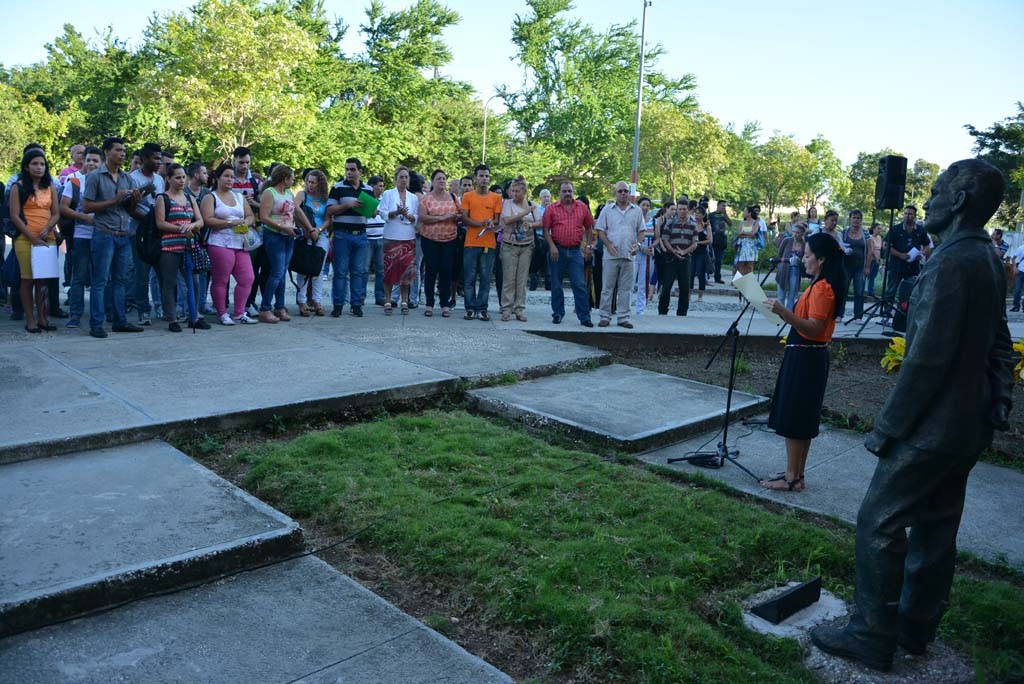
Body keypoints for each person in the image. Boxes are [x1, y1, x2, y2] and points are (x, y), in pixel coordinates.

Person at [810, 159, 1015, 672]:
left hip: (931, 426)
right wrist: (1001, 399)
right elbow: (1000, 339)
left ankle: (871, 634)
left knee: (878, 522)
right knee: (936, 530)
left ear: (961, 199)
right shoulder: (986, 257)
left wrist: (888, 427)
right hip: (968, 424)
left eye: (939, 189)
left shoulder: (950, 263)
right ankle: (915, 630)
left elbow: (925, 361)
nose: (927, 199)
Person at [761, 233, 848, 492]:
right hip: (806, 355)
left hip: (807, 357)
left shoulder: (823, 288)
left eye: (808, 255)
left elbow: (814, 327)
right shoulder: (819, 284)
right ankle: (796, 475)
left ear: (821, 259)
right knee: (802, 417)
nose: (803, 259)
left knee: (796, 417)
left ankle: (791, 478)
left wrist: (784, 312)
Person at [82, 137, 144, 339]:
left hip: (123, 234)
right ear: (107, 152)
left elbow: (130, 210)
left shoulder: (128, 178)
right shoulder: (95, 177)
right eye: (118, 150)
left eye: (124, 150)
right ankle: (97, 324)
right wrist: (114, 199)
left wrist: (134, 200)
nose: (123, 153)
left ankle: (120, 321)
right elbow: (88, 207)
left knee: (121, 280)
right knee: (100, 281)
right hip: (104, 234)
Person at [9, 149, 61, 333]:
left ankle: (43, 319)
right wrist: (31, 236)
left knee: (42, 281)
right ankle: (30, 320)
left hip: (47, 239)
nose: (39, 167)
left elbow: (56, 213)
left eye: (42, 164)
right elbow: (14, 216)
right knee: (28, 280)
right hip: (25, 239)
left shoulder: (51, 187)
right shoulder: (19, 186)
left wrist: (47, 229)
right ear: (26, 166)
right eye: (34, 164)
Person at [153, 163, 207, 332]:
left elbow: (200, 220)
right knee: (169, 282)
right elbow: (160, 223)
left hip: (189, 245)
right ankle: (172, 319)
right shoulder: (163, 198)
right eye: (177, 177)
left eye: (183, 177)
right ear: (168, 179)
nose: (182, 180)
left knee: (195, 282)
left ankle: (194, 315)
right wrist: (180, 228)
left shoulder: (190, 198)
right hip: (169, 246)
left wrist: (192, 227)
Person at [201, 163, 256, 325]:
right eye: (226, 176)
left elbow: (250, 215)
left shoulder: (239, 197)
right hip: (219, 242)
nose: (230, 179)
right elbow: (207, 220)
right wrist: (229, 223)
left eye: (232, 177)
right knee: (221, 279)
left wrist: (246, 221)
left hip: (240, 242)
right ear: (217, 178)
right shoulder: (210, 197)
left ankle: (239, 312)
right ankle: (222, 313)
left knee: (247, 278)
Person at [259, 164, 312, 323]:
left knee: (282, 273)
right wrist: (282, 227)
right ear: (285, 178)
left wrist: (308, 227)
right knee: (276, 272)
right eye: (292, 178)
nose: (293, 181)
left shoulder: (289, 192)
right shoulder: (270, 193)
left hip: (289, 236)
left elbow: (297, 211)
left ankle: (280, 307)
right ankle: (265, 308)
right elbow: (264, 217)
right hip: (274, 236)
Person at [542, 181, 595, 327]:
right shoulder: (552, 208)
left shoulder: (582, 207)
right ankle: (558, 313)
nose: (567, 194)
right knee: (556, 284)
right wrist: (552, 246)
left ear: (573, 192)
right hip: (557, 251)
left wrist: (589, 246)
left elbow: (589, 226)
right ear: (559, 193)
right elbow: (546, 229)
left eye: (570, 191)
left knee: (579, 284)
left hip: (576, 251)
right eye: (564, 191)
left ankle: (584, 317)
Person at [60, 146, 102, 328]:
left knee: (100, 278)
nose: (91, 163)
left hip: (101, 236)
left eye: (95, 160)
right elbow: (64, 207)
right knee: (79, 276)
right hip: (81, 235)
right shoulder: (75, 181)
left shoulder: (106, 182)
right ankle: (75, 315)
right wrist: (83, 217)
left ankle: (99, 314)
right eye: (89, 160)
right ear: (83, 161)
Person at [327, 157, 372, 317]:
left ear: (360, 171)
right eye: (347, 169)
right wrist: (348, 205)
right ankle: (338, 305)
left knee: (358, 272)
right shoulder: (337, 187)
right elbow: (330, 210)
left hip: (361, 235)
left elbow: (371, 213)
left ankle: (356, 305)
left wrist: (372, 210)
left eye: (352, 169)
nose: (349, 172)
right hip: (342, 235)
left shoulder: (368, 189)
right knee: (340, 272)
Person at [595, 181, 644, 328]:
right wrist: (608, 245)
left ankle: (623, 317)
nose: (623, 194)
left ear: (629, 193)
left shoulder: (636, 211)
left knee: (626, 289)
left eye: (625, 191)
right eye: (620, 191)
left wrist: (638, 245)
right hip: (611, 254)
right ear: (615, 193)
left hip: (629, 255)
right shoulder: (607, 210)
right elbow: (600, 230)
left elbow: (641, 230)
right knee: (607, 288)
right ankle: (605, 316)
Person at [129, 143, 167, 325]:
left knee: (162, 273)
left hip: (158, 233)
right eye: (155, 158)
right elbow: (129, 208)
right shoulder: (131, 179)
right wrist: (150, 219)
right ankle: (143, 311)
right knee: (142, 275)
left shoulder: (159, 180)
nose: (158, 161)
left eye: (160, 158)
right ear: (144, 159)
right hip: (139, 233)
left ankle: (164, 308)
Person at [460, 165, 502, 321]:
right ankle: (470, 308)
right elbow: (464, 217)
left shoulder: (496, 198)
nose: (484, 179)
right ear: (476, 178)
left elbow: (497, 219)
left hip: (488, 244)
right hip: (471, 242)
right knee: (469, 277)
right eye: (481, 176)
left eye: (487, 176)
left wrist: (492, 223)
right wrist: (479, 224)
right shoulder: (468, 196)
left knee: (485, 278)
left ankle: (482, 308)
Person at [418, 169, 460, 318]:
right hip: (430, 240)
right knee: (431, 270)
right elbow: (422, 217)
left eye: (443, 178)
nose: (442, 181)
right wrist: (443, 217)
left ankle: (444, 304)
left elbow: (459, 215)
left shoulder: (453, 197)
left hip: (449, 239)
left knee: (446, 271)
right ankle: (429, 303)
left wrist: (456, 217)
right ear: (433, 181)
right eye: (438, 179)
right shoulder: (426, 199)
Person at [499, 176, 541, 322]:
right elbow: (507, 220)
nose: (514, 194)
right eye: (512, 191)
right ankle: (506, 308)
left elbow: (540, 222)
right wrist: (525, 213)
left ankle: (519, 309)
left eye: (517, 191)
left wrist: (531, 225)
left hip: (526, 247)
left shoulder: (532, 204)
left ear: (524, 192)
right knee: (509, 279)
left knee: (521, 280)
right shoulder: (507, 203)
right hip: (509, 246)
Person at [379, 166, 419, 315]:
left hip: (407, 236)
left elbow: (416, 218)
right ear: (396, 179)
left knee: (406, 271)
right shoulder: (388, 194)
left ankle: (404, 300)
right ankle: (388, 300)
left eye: (406, 177)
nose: (404, 180)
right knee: (389, 270)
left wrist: (407, 215)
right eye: (401, 177)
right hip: (391, 236)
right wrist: (396, 212)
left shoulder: (413, 197)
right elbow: (382, 213)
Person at [294, 169, 331, 316]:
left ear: (320, 184)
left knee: (319, 269)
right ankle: (302, 301)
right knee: (304, 269)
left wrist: (319, 229)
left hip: (321, 234)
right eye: (308, 182)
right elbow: (295, 208)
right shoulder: (302, 195)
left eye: (313, 182)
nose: (310, 185)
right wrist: (308, 229)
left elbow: (329, 219)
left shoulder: (325, 199)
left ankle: (317, 300)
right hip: (305, 234)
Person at [656, 198, 697, 316]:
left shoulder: (693, 225)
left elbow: (695, 243)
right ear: (677, 210)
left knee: (684, 287)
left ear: (688, 210)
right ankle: (662, 311)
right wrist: (674, 251)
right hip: (671, 258)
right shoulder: (670, 224)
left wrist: (684, 252)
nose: (682, 211)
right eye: (680, 209)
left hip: (685, 259)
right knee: (666, 286)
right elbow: (665, 239)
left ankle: (682, 313)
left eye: (684, 209)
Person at [883, 205, 930, 302]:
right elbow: (885, 245)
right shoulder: (896, 229)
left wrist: (921, 254)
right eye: (905, 213)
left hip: (913, 267)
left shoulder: (921, 230)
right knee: (891, 291)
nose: (907, 216)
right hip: (896, 266)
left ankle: (905, 312)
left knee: (911, 291)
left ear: (915, 215)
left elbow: (927, 245)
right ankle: (886, 312)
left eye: (910, 214)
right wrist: (900, 255)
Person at [840, 209, 870, 320]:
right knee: (843, 290)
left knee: (859, 292)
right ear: (850, 219)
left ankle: (858, 316)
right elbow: (840, 247)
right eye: (854, 217)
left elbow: (870, 250)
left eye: (858, 218)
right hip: (846, 266)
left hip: (860, 267)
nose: (856, 220)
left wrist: (867, 266)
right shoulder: (845, 232)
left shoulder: (865, 233)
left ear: (861, 220)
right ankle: (839, 314)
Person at [364, 175, 386, 305]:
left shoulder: (384, 200)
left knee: (381, 269)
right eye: (379, 186)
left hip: (381, 237)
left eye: (383, 186)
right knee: (364, 269)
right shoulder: (366, 199)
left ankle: (380, 296)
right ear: (372, 186)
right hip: (368, 238)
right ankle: (361, 296)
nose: (381, 188)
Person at [776, 223, 806, 311]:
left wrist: (799, 261)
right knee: (781, 293)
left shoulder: (804, 245)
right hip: (784, 269)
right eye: (794, 232)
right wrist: (780, 264)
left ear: (802, 234)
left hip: (796, 270)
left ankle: (789, 313)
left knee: (792, 294)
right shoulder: (787, 240)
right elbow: (780, 254)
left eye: (798, 233)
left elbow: (805, 259)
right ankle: (780, 313)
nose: (795, 234)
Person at [634, 197, 655, 315]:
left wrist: (651, 247)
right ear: (638, 206)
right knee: (630, 282)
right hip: (635, 253)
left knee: (643, 283)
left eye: (648, 205)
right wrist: (641, 248)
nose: (645, 208)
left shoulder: (653, 221)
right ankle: (625, 308)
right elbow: (632, 236)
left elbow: (657, 237)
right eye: (643, 205)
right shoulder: (634, 220)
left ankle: (640, 310)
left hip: (647, 256)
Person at [530, 188, 553, 290]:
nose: (546, 199)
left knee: (549, 261)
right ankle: (533, 283)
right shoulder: (537, 210)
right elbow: (535, 223)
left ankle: (549, 284)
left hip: (551, 238)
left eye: (548, 196)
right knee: (536, 261)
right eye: (544, 197)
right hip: (538, 237)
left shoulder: (554, 209)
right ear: (540, 198)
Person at [690, 206, 713, 301]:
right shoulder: (691, 225)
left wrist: (698, 243)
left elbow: (710, 240)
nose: (696, 215)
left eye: (698, 213)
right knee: (690, 273)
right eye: (695, 213)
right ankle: (689, 294)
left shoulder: (706, 226)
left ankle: (700, 295)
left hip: (702, 252)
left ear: (703, 215)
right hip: (692, 252)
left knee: (700, 273)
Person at [707, 199, 731, 283]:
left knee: (719, 260)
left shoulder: (724, 215)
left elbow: (730, 223)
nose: (724, 207)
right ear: (718, 205)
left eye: (725, 206)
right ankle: (707, 276)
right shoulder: (711, 215)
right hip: (713, 240)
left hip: (722, 241)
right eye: (723, 206)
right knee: (710, 259)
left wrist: (725, 214)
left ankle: (717, 277)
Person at [734, 206, 761, 276]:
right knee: (741, 264)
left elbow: (753, 233)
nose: (743, 213)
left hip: (751, 246)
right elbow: (739, 233)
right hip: (743, 246)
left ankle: (748, 283)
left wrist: (744, 233)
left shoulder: (755, 223)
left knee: (750, 265)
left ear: (749, 213)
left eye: (745, 211)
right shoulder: (742, 223)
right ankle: (740, 282)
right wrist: (748, 234)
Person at [866, 223, 883, 298]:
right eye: (878, 228)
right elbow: (872, 250)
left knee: (873, 276)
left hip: (878, 258)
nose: (880, 230)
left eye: (880, 228)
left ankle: (870, 290)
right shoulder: (870, 237)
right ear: (873, 229)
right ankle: (870, 291)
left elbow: (881, 248)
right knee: (871, 276)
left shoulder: (879, 237)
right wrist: (876, 259)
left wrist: (880, 259)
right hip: (872, 259)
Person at [1010, 240, 1024, 312]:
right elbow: (1013, 258)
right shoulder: (1021, 248)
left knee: (1017, 290)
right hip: (1020, 270)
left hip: (1020, 271)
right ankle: (1016, 306)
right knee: (1017, 290)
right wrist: (1014, 267)